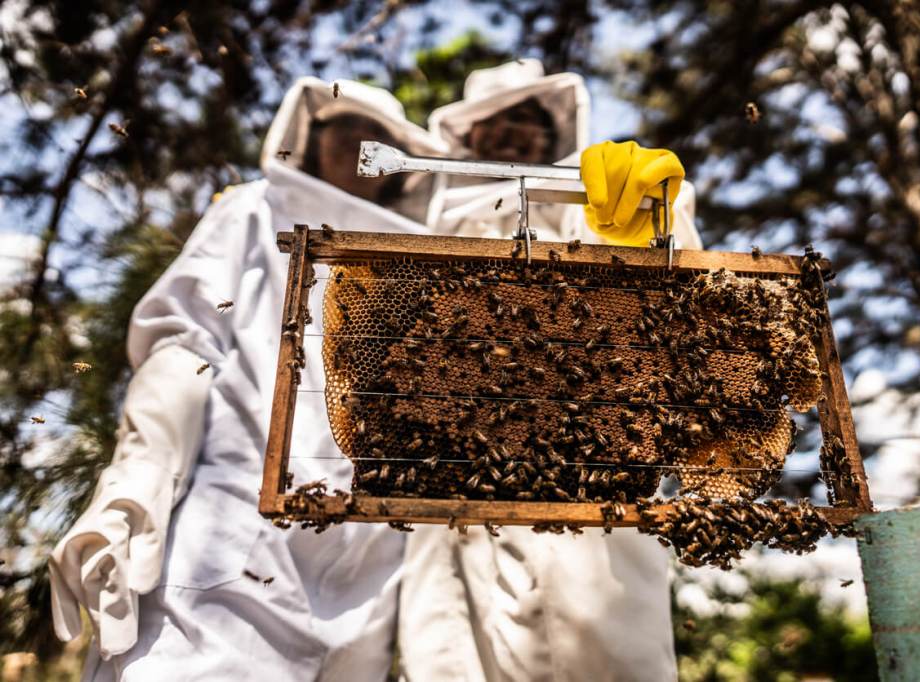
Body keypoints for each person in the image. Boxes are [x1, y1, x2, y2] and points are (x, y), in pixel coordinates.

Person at [48, 77, 449, 680]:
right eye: (343, 132)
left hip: (369, 567)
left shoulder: (426, 259)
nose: (358, 150)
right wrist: (137, 479)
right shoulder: (252, 210)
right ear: (309, 141)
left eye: (375, 140)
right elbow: (182, 343)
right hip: (231, 530)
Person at [398, 60, 702, 682]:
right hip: (444, 508)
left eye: (528, 120)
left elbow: (669, 303)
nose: (511, 133)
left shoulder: (579, 210)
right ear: (468, 141)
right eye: (494, 121)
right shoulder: (422, 229)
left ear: (551, 139)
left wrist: (642, 221)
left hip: (589, 503)